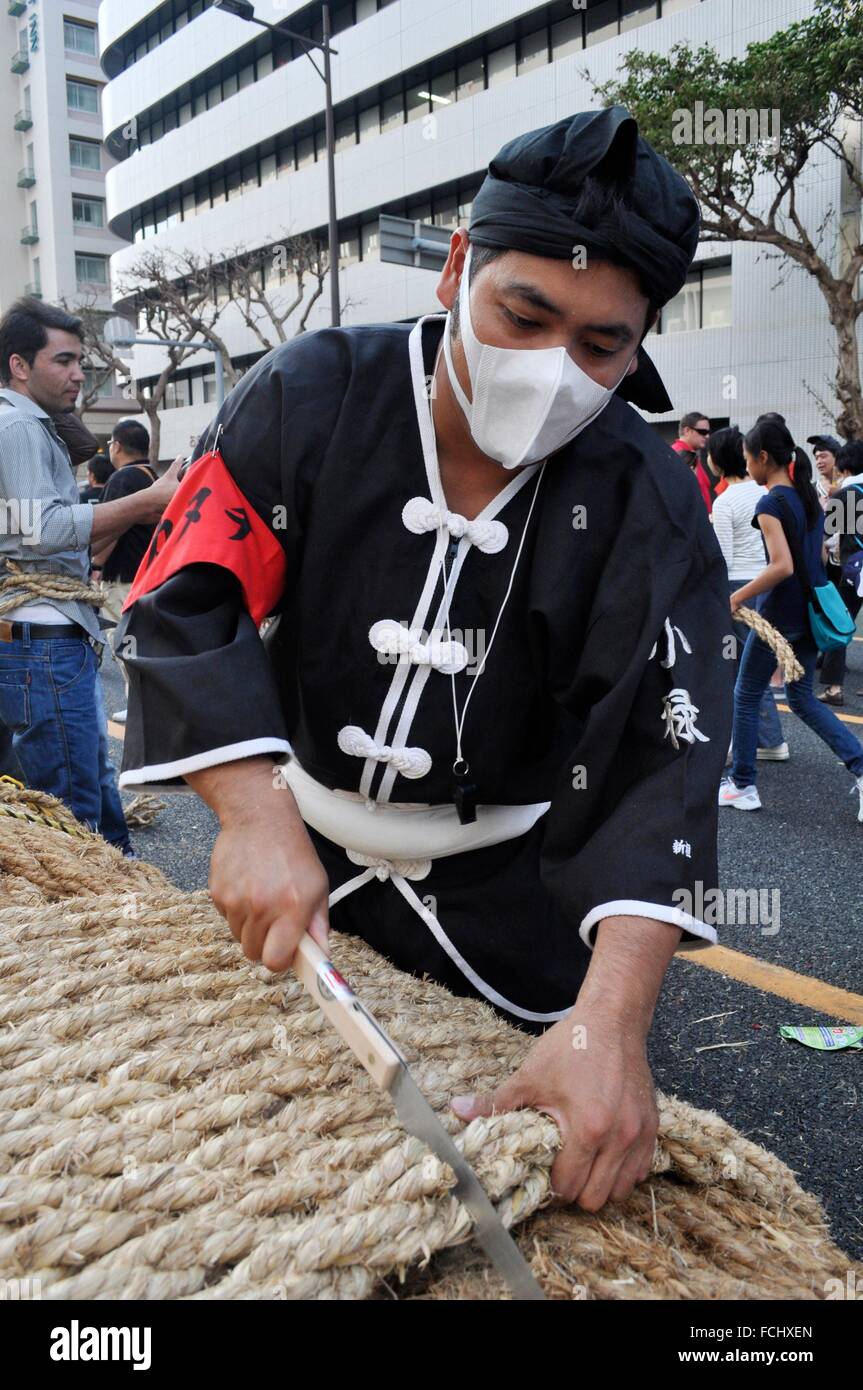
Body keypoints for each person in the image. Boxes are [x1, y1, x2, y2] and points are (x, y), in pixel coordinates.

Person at [115, 108, 734, 1209]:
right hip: (302, 872)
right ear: (456, 267)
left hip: (515, 905)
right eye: (524, 314)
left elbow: (658, 761)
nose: (551, 370)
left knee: (508, 1201)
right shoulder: (312, 391)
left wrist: (614, 1017)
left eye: (600, 347)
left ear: (639, 348)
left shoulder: (647, 497)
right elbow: (186, 586)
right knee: (248, 1168)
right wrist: (252, 814)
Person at [0, 297, 181, 850]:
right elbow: (44, 527)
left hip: (38, 636)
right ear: (20, 365)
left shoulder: (25, 424)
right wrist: (147, 501)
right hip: (44, 642)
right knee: (76, 808)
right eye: (65, 360)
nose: (79, 373)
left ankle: (125, 903)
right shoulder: (21, 427)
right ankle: (113, 919)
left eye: (80, 361)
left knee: (84, 790)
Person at [719, 421, 863, 817]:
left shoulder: (770, 504)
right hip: (808, 613)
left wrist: (736, 596)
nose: (747, 467)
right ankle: (862, 767)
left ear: (763, 457)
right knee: (800, 698)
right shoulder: (806, 499)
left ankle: (743, 784)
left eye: (749, 458)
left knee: (746, 696)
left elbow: (780, 566)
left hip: (778, 616)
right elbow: (815, 560)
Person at [709, 426, 787, 759]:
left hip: (737, 587)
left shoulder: (725, 501)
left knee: (739, 669)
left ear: (717, 460)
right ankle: (769, 740)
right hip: (768, 583)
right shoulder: (765, 493)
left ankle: (759, 742)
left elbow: (721, 558)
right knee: (754, 665)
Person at [90, 419, 158, 725]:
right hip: (150, 573)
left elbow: (110, 529)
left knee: (122, 641)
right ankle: (145, 704)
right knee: (141, 642)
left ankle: (139, 705)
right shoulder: (151, 476)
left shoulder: (122, 479)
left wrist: (94, 565)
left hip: (123, 578)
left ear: (116, 446)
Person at [817, 441, 863, 705]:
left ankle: (834, 688)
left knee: (839, 623)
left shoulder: (845, 493)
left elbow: (832, 538)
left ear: (844, 464)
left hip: (853, 570)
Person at [671, 412, 712, 511]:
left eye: (708, 432)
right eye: (702, 432)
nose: (707, 436)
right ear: (687, 430)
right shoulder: (678, 455)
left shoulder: (690, 455)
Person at [807, 434, 842, 502]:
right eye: (816, 458)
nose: (819, 462)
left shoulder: (848, 484)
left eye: (823, 456)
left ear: (837, 457)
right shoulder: (812, 489)